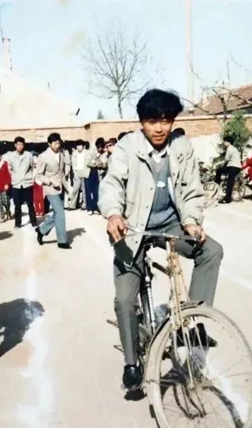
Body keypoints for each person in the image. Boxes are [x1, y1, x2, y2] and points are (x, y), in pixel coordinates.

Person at [100, 89, 224, 391]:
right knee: (125, 298)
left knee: (211, 250)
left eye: (166, 121)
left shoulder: (182, 147)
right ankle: (132, 363)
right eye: (152, 121)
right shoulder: (127, 147)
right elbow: (112, 184)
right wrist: (114, 214)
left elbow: (192, 190)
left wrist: (191, 221)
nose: (159, 128)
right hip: (132, 228)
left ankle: (191, 322)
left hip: (170, 224)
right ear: (142, 122)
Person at [35, 133, 70, 249]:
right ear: (49, 144)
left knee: (57, 213)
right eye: (55, 143)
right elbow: (39, 175)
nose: (57, 145)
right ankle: (62, 241)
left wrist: (66, 174)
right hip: (50, 188)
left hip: (61, 186)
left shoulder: (62, 153)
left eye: (58, 143)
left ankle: (41, 230)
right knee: (60, 213)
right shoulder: (43, 157)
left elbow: (65, 166)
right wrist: (50, 181)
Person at [5, 137, 37, 228]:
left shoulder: (28, 155)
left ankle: (34, 222)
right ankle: (17, 223)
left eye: (21, 144)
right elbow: (9, 169)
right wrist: (14, 177)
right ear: (15, 145)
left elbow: (32, 167)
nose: (20, 146)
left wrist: (31, 177)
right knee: (17, 205)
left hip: (27, 183)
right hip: (16, 184)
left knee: (30, 204)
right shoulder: (11, 156)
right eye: (18, 144)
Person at [216, 136, 242, 204]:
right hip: (237, 167)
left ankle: (227, 198)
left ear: (229, 142)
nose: (224, 143)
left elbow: (226, 159)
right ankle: (218, 184)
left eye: (225, 141)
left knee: (229, 182)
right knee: (228, 179)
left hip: (232, 167)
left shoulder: (229, 148)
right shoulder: (234, 148)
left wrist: (222, 165)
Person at [85, 137, 107, 215]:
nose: (100, 149)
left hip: (97, 174)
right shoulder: (91, 152)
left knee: (96, 192)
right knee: (88, 192)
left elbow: (104, 164)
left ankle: (95, 207)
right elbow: (87, 162)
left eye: (101, 147)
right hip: (88, 174)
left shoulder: (103, 153)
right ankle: (89, 208)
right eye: (98, 147)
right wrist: (97, 163)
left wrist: (98, 163)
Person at [66, 140, 89, 210]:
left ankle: (84, 204)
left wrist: (87, 172)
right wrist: (74, 171)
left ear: (83, 146)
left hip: (85, 172)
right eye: (77, 146)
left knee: (85, 189)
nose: (78, 147)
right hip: (77, 172)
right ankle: (72, 205)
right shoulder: (74, 153)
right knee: (75, 189)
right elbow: (73, 163)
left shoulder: (87, 152)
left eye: (80, 145)